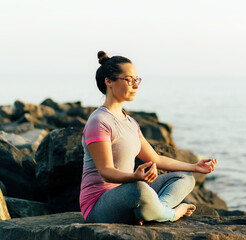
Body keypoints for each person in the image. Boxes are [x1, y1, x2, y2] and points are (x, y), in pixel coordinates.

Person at [79, 51, 217, 225]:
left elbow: (156, 159)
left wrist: (195, 167)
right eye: (129, 80)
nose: (135, 85)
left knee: (185, 178)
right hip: (99, 204)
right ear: (109, 82)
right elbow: (105, 172)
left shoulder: (130, 123)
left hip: (129, 192)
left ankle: (151, 211)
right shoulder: (99, 122)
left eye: (137, 80)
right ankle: (171, 213)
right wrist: (135, 177)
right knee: (139, 190)